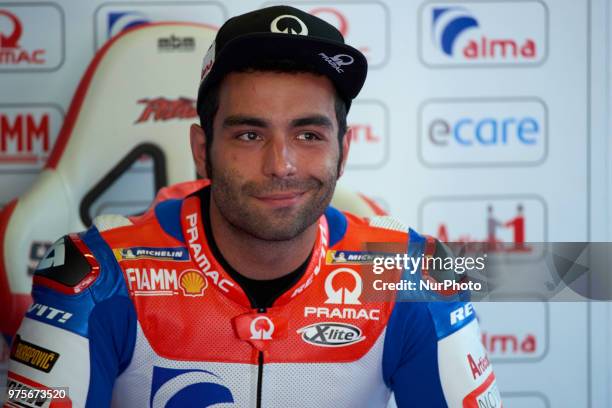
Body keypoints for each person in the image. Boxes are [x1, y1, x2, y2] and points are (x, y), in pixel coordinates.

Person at [6, 6, 501, 407]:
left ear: (343, 152)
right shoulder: (95, 275)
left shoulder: (411, 276)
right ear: (202, 150)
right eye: (249, 134)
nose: (281, 164)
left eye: (308, 134)